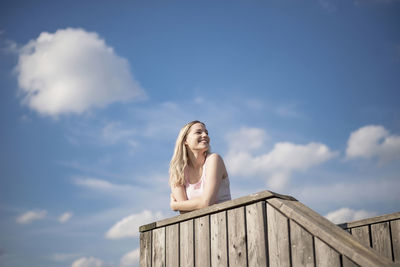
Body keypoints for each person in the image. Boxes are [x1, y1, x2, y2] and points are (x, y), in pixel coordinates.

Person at [169, 120, 231, 212]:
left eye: (206, 132)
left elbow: (206, 202)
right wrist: (184, 206)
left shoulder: (214, 159)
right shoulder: (177, 172)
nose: (205, 135)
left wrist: (176, 205)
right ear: (185, 140)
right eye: (198, 132)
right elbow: (184, 213)